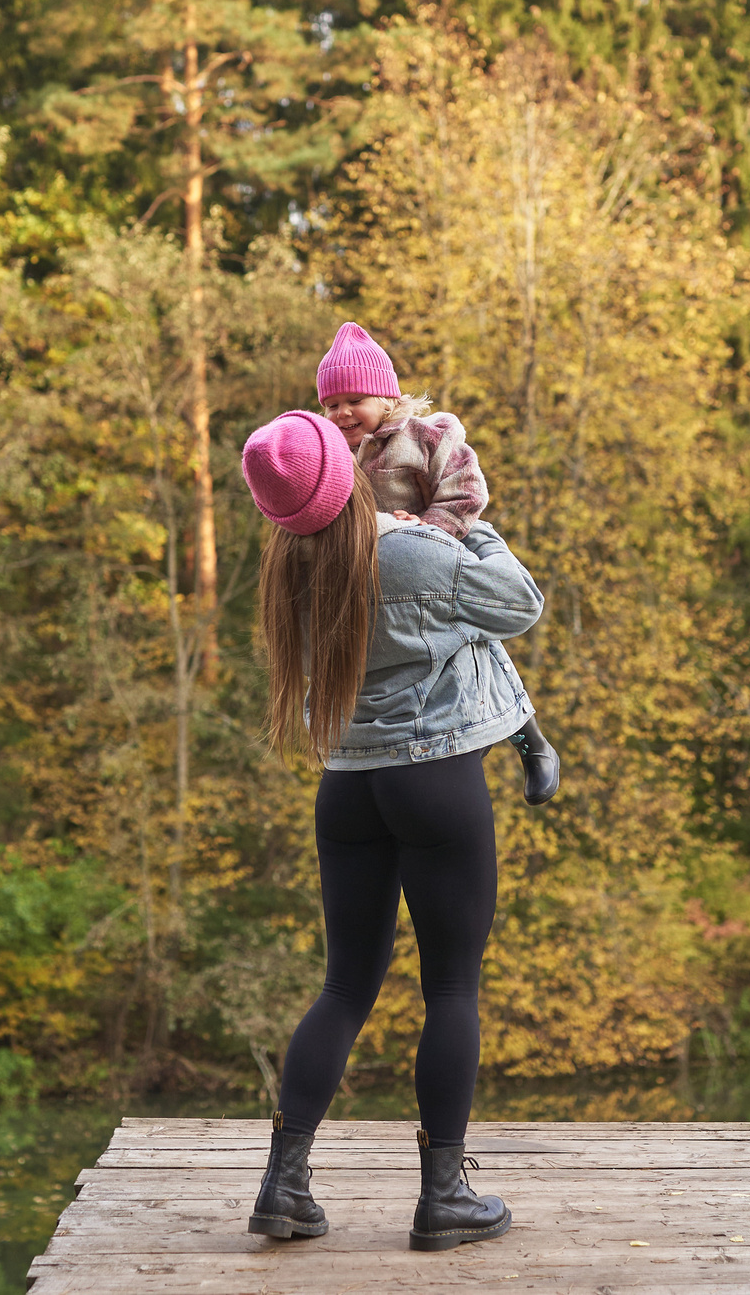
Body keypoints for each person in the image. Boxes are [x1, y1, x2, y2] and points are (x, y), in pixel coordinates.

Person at [237, 409, 544, 1254]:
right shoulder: (406, 551)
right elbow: (521, 605)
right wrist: (473, 529)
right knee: (449, 988)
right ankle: (443, 1197)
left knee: (344, 988)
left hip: (347, 788)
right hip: (434, 779)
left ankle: (283, 1186)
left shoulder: (289, 564)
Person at [312, 321, 560, 806]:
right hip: (375, 572)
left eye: (354, 399)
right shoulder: (328, 454)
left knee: (475, 631)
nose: (342, 412)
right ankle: (430, 733)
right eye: (331, 404)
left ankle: (526, 734)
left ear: (387, 397)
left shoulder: (424, 437)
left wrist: (431, 529)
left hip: (437, 552)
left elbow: (466, 490)